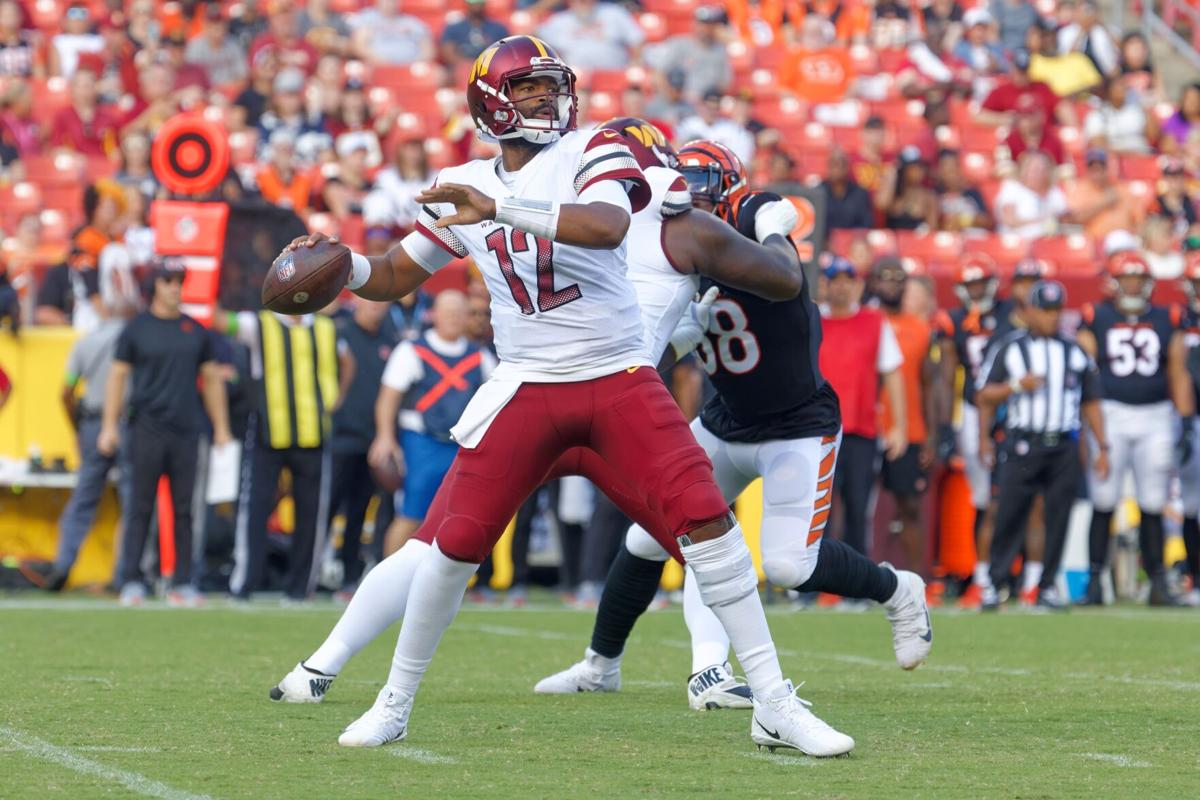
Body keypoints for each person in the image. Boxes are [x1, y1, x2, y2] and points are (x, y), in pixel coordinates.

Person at [277, 69, 854, 757]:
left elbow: (605, 226)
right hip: (528, 383)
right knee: (451, 543)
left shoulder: (593, 151)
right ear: (492, 104)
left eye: (551, 87)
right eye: (527, 90)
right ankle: (393, 701)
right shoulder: (464, 180)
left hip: (617, 374)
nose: (545, 101)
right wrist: (346, 270)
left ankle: (773, 703)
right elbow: (398, 274)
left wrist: (495, 207)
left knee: (708, 522)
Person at [536, 136, 931, 707]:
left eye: (703, 192)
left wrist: (770, 224)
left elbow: (781, 224)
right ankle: (603, 665)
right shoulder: (672, 247)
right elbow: (656, 351)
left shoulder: (756, 217)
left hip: (796, 425)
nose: (690, 205)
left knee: (788, 565)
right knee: (648, 539)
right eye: (683, 192)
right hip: (724, 423)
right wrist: (676, 335)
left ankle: (899, 590)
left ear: (728, 195)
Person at [99, 259, 232, 607]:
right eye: (168, 281)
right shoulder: (136, 329)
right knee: (139, 506)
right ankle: (132, 579)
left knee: (186, 510)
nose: (175, 287)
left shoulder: (194, 330)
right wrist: (109, 425)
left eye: (179, 281)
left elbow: (212, 380)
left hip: (187, 429)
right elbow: (117, 378)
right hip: (145, 428)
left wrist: (221, 428)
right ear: (154, 286)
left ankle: (184, 581)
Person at [976, 280, 1108, 610]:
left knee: (1057, 516)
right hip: (1023, 442)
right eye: (1045, 311)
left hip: (1063, 444)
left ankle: (1047, 585)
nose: (1051, 318)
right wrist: (1016, 387)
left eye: (1056, 311)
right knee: (1009, 514)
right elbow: (984, 394)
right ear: (1030, 312)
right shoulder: (1009, 348)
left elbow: (1091, 400)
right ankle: (996, 582)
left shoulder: (1075, 351)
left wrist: (1103, 446)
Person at [1077, 251, 1191, 606]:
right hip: (1110, 415)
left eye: (1138, 278)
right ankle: (1095, 581)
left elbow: (1177, 370)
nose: (1132, 285)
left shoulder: (1167, 316)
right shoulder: (1096, 316)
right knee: (1104, 498)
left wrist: (1185, 420)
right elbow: (1086, 373)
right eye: (1126, 278)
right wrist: (1089, 424)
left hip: (1156, 415)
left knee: (1153, 501)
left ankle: (1157, 581)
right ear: (1113, 281)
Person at [220, 306, 353, 603]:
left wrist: (336, 399)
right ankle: (244, 583)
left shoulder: (325, 328)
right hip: (269, 429)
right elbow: (221, 322)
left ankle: (300, 586)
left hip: (313, 431)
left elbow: (347, 361)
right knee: (254, 507)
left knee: (311, 513)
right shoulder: (259, 323)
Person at [370, 290, 494, 555]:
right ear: (434, 314)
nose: (452, 318)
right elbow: (388, 398)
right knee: (412, 514)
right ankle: (387, 579)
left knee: (459, 519)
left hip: (461, 446)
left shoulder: (480, 357)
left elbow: (494, 403)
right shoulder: (411, 350)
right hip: (421, 444)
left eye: (459, 313)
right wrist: (385, 437)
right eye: (447, 312)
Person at [34, 296, 136, 591]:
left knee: (83, 499)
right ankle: (124, 574)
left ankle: (64, 564)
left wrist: (77, 427)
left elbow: (66, 390)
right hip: (128, 423)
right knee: (133, 503)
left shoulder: (87, 342)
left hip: (92, 424)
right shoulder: (135, 338)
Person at [932, 254, 1015, 608]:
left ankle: (1010, 574)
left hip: (1011, 407)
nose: (976, 290)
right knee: (983, 496)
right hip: (971, 407)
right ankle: (984, 575)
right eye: (970, 284)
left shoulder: (1011, 314)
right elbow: (948, 373)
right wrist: (948, 424)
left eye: (980, 282)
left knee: (1013, 493)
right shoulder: (953, 320)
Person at [819, 257, 907, 559]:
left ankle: (854, 582)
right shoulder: (813, 321)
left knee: (858, 506)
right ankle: (812, 582)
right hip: (820, 432)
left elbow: (892, 374)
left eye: (847, 281)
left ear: (857, 285)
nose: (841, 288)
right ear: (825, 285)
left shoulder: (873, 321)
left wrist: (899, 426)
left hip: (861, 430)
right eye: (835, 281)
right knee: (819, 508)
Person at [869, 257, 936, 573]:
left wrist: (932, 436)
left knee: (910, 507)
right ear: (875, 283)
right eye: (886, 278)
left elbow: (929, 385)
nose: (892, 285)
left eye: (899, 280)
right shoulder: (864, 322)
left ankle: (918, 579)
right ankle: (847, 581)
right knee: (855, 505)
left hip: (909, 429)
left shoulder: (920, 329)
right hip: (866, 428)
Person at [645, 5, 731, 102]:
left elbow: (724, 85)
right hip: (678, 104)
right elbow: (658, 74)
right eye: (702, 24)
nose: (705, 28)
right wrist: (672, 97)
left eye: (710, 24)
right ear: (695, 24)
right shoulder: (679, 44)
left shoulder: (720, 50)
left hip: (705, 107)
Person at [1063, 148, 1145, 242]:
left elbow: (1139, 220)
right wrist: (1103, 203)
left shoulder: (1123, 190)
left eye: (1101, 169)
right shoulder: (1080, 190)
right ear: (1087, 170)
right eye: (1093, 169)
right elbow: (1073, 219)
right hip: (1094, 244)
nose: (1097, 174)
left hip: (1125, 241)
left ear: (1108, 169)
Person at [537, 0, 644, 70]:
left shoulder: (613, 13)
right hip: (575, 81)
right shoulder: (558, 21)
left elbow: (637, 38)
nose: (583, 2)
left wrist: (636, 61)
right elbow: (538, 40)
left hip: (615, 74)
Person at [994, 151, 1067, 240]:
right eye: (1034, 170)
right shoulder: (1012, 187)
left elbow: (1063, 217)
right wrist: (1042, 220)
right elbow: (1009, 220)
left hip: (1049, 241)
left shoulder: (1054, 191)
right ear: (1024, 170)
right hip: (1018, 242)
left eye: (1042, 170)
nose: (1037, 174)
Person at [1083, 79, 1155, 155]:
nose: (1122, 90)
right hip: (1115, 159)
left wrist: (1147, 110)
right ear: (1109, 91)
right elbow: (1098, 145)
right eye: (1118, 87)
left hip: (1142, 155)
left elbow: (1153, 136)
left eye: (1124, 86)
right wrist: (1129, 154)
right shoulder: (1098, 115)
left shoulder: (1136, 110)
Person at [186, 5, 248, 87]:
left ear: (225, 26)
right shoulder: (195, 46)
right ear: (205, 26)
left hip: (230, 90)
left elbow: (243, 75)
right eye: (212, 25)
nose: (216, 28)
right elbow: (191, 79)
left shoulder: (233, 44)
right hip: (205, 92)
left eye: (219, 24)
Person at [819, 148, 875, 237]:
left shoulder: (861, 194)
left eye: (841, 164)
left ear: (847, 167)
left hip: (853, 245)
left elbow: (865, 225)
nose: (837, 168)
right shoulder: (818, 192)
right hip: (824, 244)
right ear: (828, 167)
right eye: (833, 164)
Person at [439, 0, 509, 66]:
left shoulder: (498, 28)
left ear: (484, 4)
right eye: (473, 3)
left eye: (479, 3)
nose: (476, 6)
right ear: (467, 4)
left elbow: (506, 52)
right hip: (463, 67)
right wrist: (466, 64)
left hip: (490, 67)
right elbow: (448, 54)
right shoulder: (454, 28)